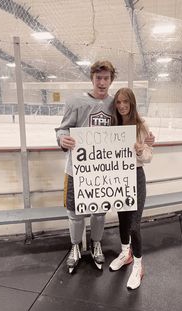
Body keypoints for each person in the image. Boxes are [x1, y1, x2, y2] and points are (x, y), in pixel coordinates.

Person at [55, 60, 117, 272]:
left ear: (111, 80)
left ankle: (96, 243)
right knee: (75, 213)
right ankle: (75, 246)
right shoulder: (76, 102)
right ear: (92, 78)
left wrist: (143, 138)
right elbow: (62, 130)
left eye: (106, 78)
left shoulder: (115, 103)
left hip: (102, 171)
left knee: (99, 212)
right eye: (98, 78)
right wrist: (62, 139)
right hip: (77, 170)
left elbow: (127, 129)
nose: (102, 82)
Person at [109, 87, 153, 290]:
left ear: (132, 103)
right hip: (119, 179)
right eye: (118, 102)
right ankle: (125, 253)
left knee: (135, 224)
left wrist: (140, 151)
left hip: (136, 176)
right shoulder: (113, 125)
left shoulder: (141, 125)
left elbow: (148, 158)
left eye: (125, 101)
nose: (122, 106)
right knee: (123, 220)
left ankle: (138, 264)